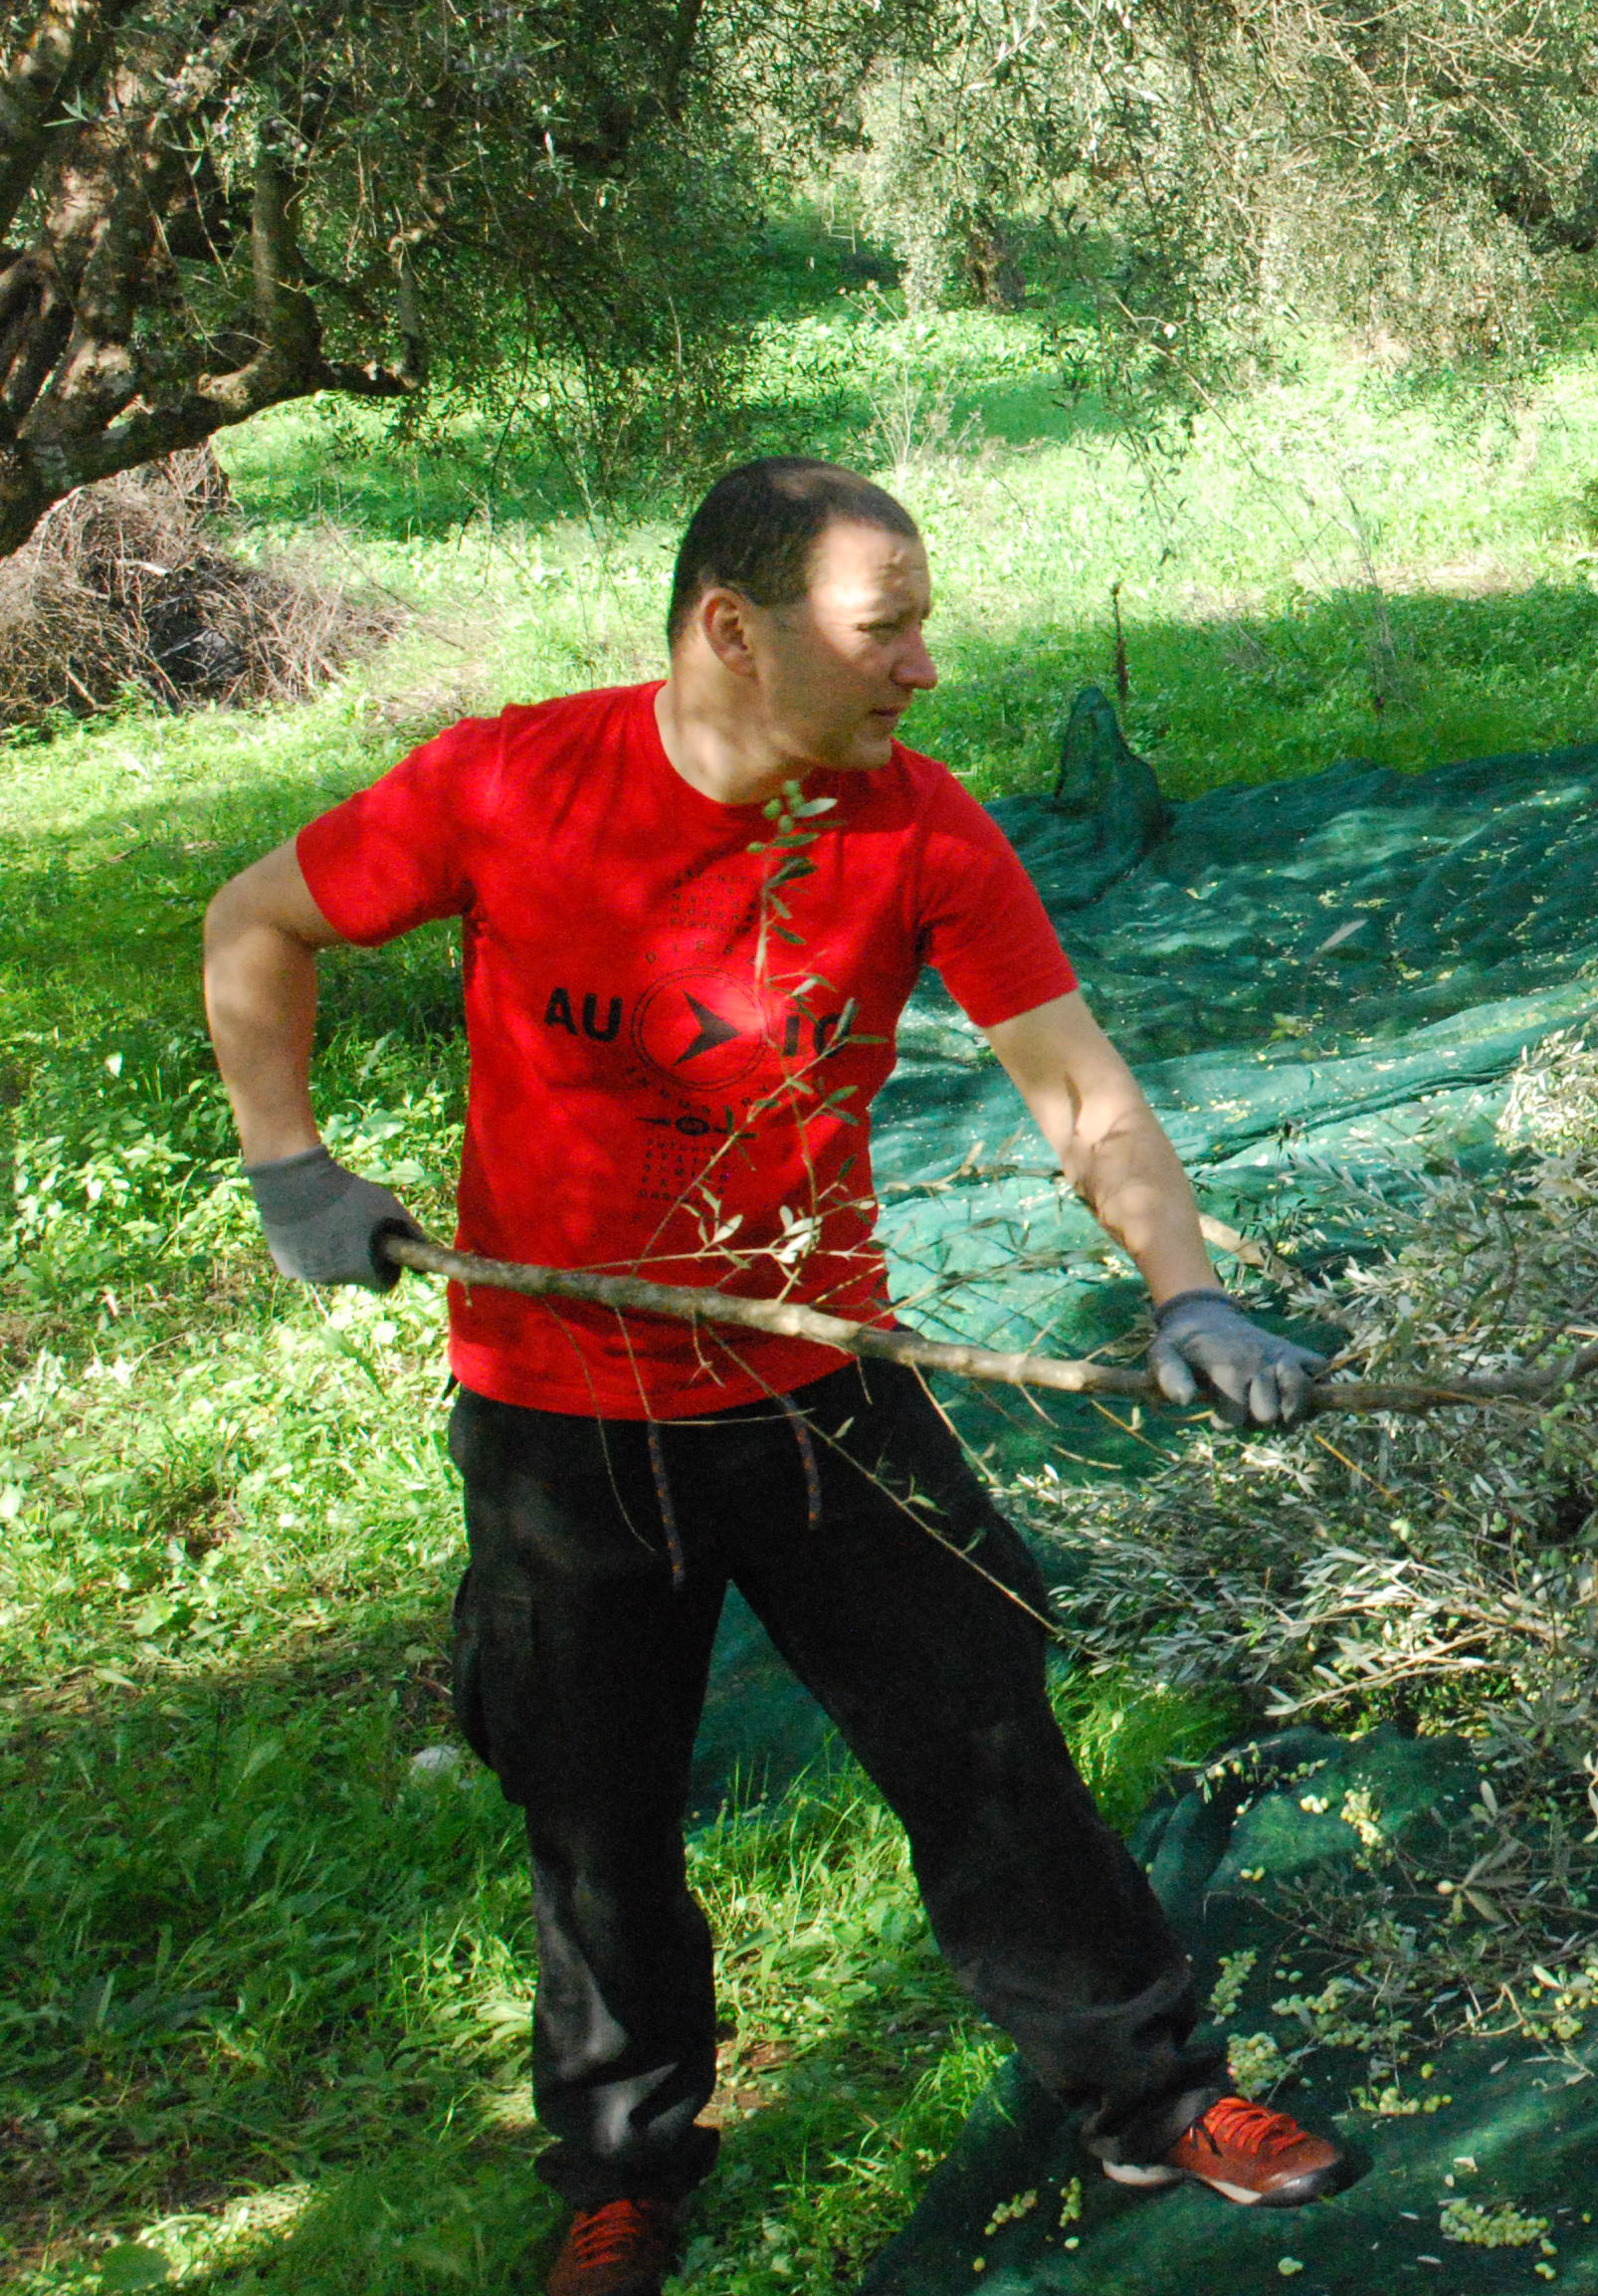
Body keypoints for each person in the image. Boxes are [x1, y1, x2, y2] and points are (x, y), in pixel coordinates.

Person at [200, 460, 1353, 2296]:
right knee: (596, 1813)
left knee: (985, 1747)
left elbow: (1075, 1083)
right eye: (884, 630)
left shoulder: (914, 831)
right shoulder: (510, 785)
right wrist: (291, 1167)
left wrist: (1185, 1292)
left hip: (821, 1396)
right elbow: (255, 924)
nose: (923, 668)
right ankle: (624, 2175)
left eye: (920, 627)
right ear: (733, 628)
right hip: (560, 1414)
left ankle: (1150, 2093)